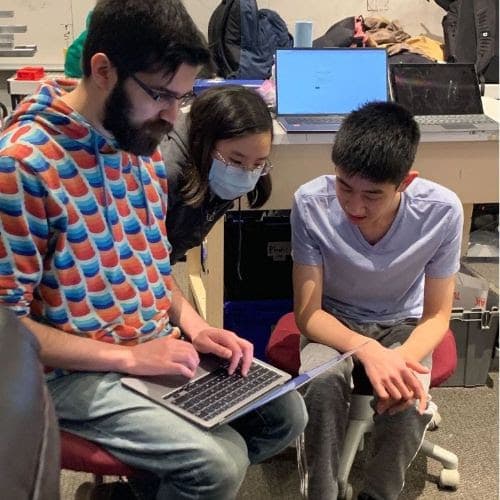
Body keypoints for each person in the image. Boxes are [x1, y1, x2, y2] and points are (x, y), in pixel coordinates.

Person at [0, 1, 307, 499]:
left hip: (150, 345)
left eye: (182, 98)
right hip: (67, 374)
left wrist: (197, 326)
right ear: (103, 71)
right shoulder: (24, 167)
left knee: (285, 415)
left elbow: (151, 268)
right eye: (163, 95)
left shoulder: (137, 146)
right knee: (219, 465)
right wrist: (131, 359)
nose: (172, 117)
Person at [291, 101, 463, 500]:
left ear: (406, 181)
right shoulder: (310, 203)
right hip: (333, 321)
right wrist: (368, 350)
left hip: (404, 322)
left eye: (373, 195)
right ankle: (321, 494)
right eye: (344, 186)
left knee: (409, 398)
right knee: (321, 383)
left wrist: (398, 361)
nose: (354, 206)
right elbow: (308, 315)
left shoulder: (441, 211)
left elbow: (437, 315)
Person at [162, 85, 273, 264]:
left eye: (259, 163)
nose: (246, 174)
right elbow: (137, 257)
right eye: (237, 162)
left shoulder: (221, 164)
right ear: (206, 144)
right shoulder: (167, 172)